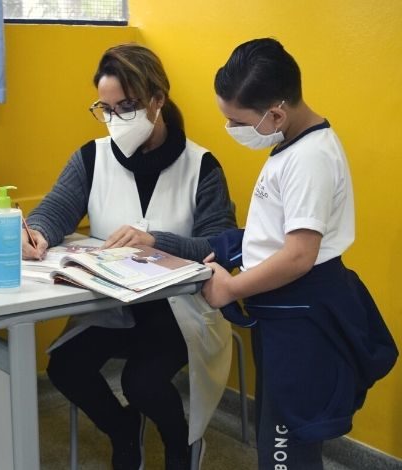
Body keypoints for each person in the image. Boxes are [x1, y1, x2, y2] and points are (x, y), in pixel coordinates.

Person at [21, 43, 238, 470]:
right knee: (65, 368)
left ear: (158, 99)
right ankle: (124, 431)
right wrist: (38, 233)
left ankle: (181, 446)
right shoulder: (91, 157)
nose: (115, 119)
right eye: (105, 108)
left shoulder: (202, 166)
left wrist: (156, 241)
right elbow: (54, 209)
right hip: (111, 305)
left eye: (127, 106)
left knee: (141, 382)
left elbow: (222, 243)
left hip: (180, 310)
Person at [202, 38, 399, 469]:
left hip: (300, 315)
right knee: (277, 434)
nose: (231, 129)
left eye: (237, 121)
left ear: (276, 113)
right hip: (283, 311)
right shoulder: (291, 145)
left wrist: (230, 287)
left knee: (284, 446)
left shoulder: (309, 158)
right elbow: (274, 235)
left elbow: (298, 256)